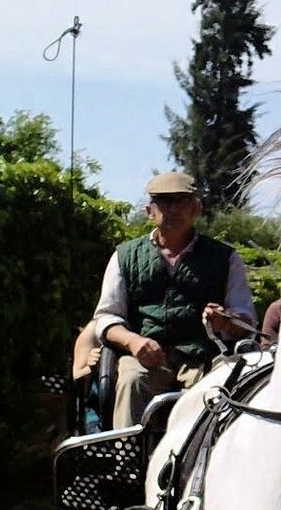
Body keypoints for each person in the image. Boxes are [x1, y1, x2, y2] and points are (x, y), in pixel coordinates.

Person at [93, 171, 256, 427]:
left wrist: (225, 321)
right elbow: (106, 318)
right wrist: (134, 341)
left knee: (221, 387)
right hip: (145, 360)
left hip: (203, 359)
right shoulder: (124, 256)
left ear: (196, 208)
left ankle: (212, 460)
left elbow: (246, 320)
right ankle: (127, 460)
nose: (173, 209)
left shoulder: (226, 258)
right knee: (131, 380)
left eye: (181, 201)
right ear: (150, 211)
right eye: (164, 202)